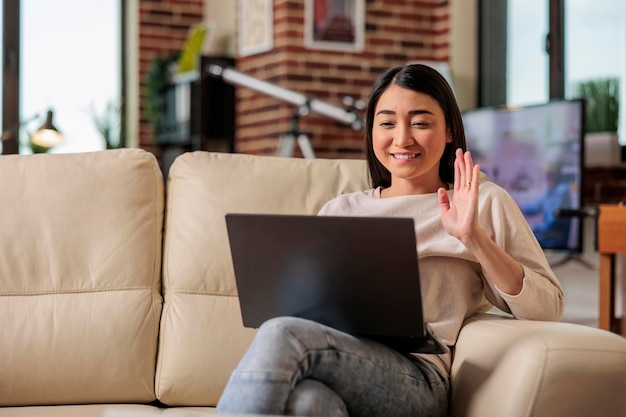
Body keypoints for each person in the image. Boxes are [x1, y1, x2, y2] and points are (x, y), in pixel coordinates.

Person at [216, 64, 564, 417]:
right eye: (387, 123)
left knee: (282, 335)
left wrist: (473, 238)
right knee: (309, 403)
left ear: (448, 132)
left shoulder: (482, 202)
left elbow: (547, 309)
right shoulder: (340, 209)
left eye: (420, 122)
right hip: (341, 359)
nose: (402, 139)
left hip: (419, 377)